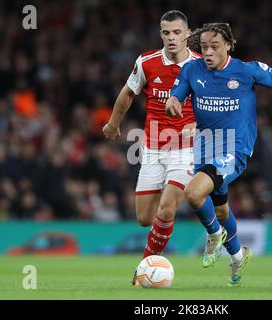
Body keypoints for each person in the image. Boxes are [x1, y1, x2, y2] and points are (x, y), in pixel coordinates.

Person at [166, 23, 272, 286]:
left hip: (234, 148)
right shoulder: (192, 69)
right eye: (204, 47)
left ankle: (214, 235)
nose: (208, 52)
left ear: (228, 45)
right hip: (204, 146)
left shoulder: (247, 70)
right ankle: (238, 255)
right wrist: (173, 102)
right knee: (221, 208)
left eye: (214, 47)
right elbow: (177, 95)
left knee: (193, 193)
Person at [102, 10, 200, 285]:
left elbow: (217, 104)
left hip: (187, 149)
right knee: (145, 218)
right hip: (153, 148)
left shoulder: (202, 65)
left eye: (177, 32)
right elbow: (127, 92)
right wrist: (112, 123)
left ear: (188, 34)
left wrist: (201, 125)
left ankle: (144, 269)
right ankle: (162, 232)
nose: (171, 37)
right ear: (161, 34)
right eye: (166, 32)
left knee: (167, 209)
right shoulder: (147, 63)